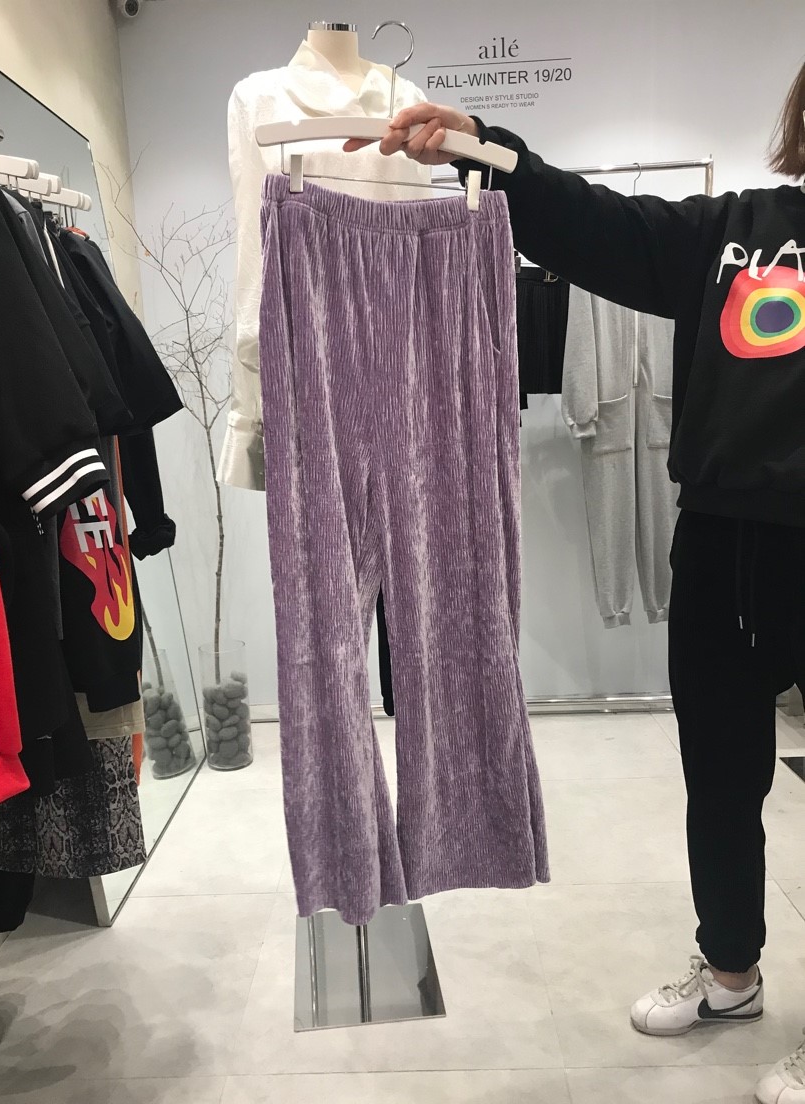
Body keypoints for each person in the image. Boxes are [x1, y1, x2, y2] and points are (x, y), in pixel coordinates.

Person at [345, 63, 805, 1104]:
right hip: (724, 545)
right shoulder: (740, 228)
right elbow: (600, 226)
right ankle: (731, 974)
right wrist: (484, 148)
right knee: (721, 781)